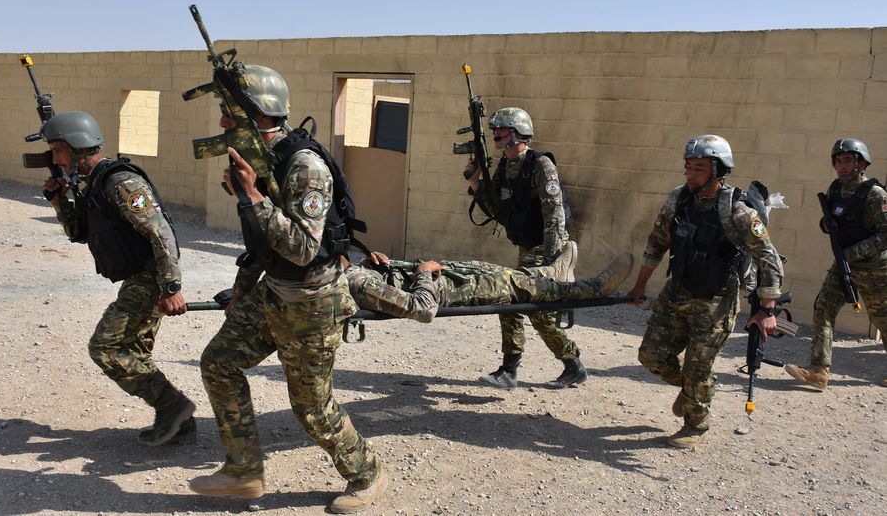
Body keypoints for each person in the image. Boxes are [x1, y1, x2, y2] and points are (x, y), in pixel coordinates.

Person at [188, 65, 386, 513]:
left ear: (260, 115)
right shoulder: (261, 161)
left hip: (312, 303)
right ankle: (243, 470)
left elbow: (302, 249)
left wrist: (254, 197)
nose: (222, 121)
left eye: (230, 112)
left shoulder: (304, 168)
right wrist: (242, 290)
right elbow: (261, 245)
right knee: (219, 363)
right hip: (274, 292)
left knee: (311, 407)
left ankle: (367, 473)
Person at [41, 111, 194, 446]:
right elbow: (80, 232)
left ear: (78, 146)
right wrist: (60, 202)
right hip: (138, 276)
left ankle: (174, 406)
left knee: (106, 347)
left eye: (57, 151)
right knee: (135, 350)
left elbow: (160, 233)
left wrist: (171, 287)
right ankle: (180, 424)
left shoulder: (120, 182)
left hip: (151, 277)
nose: (55, 160)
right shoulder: (93, 183)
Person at [627, 134, 784, 449]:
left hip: (716, 299)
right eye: (688, 166)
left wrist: (767, 309)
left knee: (698, 365)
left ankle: (694, 425)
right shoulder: (678, 199)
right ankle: (693, 389)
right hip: (677, 291)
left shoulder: (738, 210)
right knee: (651, 355)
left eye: (699, 168)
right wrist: (640, 284)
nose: (690, 173)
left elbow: (768, 257)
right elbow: (656, 243)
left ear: (719, 170)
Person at [465, 107, 586, 390]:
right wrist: (475, 182)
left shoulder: (541, 165)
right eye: (495, 130)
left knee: (517, 300)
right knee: (528, 306)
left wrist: (551, 262)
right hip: (527, 247)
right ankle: (571, 366)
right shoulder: (505, 166)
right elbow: (497, 210)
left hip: (547, 247)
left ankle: (511, 370)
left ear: (518, 134)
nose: (496, 134)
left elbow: (555, 215)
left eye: (502, 130)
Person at [785, 139, 887, 390]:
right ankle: (819, 371)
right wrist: (826, 224)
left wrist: (853, 253)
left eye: (848, 160)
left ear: (862, 164)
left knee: (883, 319)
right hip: (844, 264)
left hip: (874, 268)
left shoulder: (875, 194)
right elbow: (833, 221)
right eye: (838, 161)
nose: (842, 166)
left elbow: (885, 235)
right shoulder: (836, 190)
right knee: (823, 306)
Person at [346, 243, 633, 323]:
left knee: (502, 271)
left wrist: (370, 264)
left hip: (451, 277)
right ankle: (594, 288)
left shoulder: (353, 273)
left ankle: (550, 273)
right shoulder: (355, 282)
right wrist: (423, 272)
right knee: (516, 285)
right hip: (452, 291)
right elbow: (421, 309)